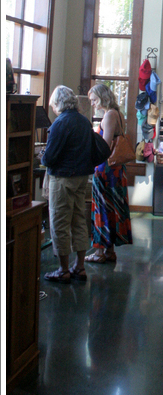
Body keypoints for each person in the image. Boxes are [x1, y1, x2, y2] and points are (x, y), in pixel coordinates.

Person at [41, 86, 96, 283]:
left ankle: (63, 269)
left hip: (63, 178)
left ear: (58, 103)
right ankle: (79, 266)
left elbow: (50, 157)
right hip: (82, 177)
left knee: (59, 222)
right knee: (79, 220)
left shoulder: (60, 123)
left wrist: (43, 157)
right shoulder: (84, 121)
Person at [85, 84, 132, 263]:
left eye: (95, 100)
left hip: (107, 168)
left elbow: (105, 144)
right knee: (111, 208)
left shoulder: (110, 114)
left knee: (102, 208)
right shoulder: (117, 113)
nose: (93, 104)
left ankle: (100, 252)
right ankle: (108, 251)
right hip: (115, 169)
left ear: (103, 98)